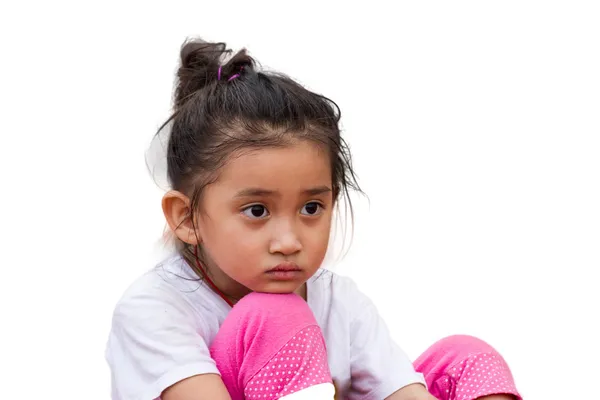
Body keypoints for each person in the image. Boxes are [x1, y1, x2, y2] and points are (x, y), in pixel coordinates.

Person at [105, 38, 522, 400]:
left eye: (311, 209)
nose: (288, 240)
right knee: (274, 315)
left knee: (465, 358)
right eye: (257, 211)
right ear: (186, 218)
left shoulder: (339, 302)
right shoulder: (154, 309)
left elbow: (401, 390)